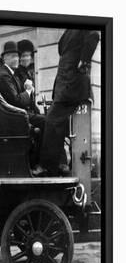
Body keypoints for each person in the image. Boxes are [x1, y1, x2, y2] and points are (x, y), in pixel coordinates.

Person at [33, 29, 100, 177]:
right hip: (67, 86)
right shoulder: (70, 30)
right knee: (66, 127)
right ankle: (64, 165)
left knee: (51, 121)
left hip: (71, 86)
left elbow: (94, 35)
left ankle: (47, 166)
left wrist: (85, 60)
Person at [0, 40, 45, 166]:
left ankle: (37, 162)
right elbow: (17, 101)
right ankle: (37, 163)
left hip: (17, 114)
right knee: (47, 122)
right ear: (5, 58)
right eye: (13, 56)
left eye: (17, 56)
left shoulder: (11, 75)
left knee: (46, 120)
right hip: (14, 117)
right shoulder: (4, 76)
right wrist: (28, 91)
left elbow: (19, 98)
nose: (17, 59)